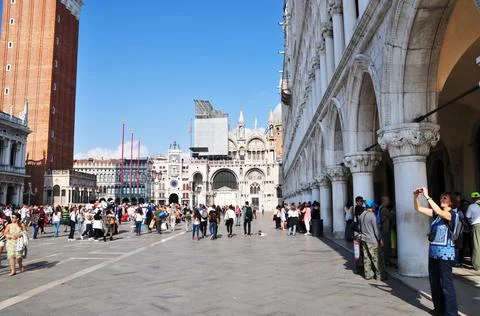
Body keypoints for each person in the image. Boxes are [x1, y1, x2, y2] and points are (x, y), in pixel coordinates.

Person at [414, 187, 458, 316]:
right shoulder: (437, 215)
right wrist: (416, 196)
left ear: (451, 202)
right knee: (434, 283)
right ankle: (438, 309)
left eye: (445, 198)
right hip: (433, 254)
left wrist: (427, 196)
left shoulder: (452, 214)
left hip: (445, 256)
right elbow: (419, 209)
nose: (442, 199)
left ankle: (451, 313)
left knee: (446, 285)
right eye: (441, 198)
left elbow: (439, 211)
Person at [358, 200, 385, 281]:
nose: (374, 208)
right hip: (372, 240)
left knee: (367, 258)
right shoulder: (372, 215)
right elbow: (376, 230)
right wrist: (380, 239)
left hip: (364, 239)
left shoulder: (361, 215)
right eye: (374, 207)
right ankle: (379, 276)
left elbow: (359, 228)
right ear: (371, 207)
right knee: (376, 258)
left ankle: (368, 274)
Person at [379, 196, 395, 266]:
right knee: (385, 246)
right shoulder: (384, 209)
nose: (388, 202)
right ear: (384, 201)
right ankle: (385, 261)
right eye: (387, 201)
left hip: (384, 229)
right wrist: (393, 211)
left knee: (385, 246)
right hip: (385, 230)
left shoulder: (380, 208)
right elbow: (391, 216)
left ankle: (386, 260)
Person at [466, 191, 480, 270]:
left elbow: (468, 216)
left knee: (477, 245)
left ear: (473, 198)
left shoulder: (472, 206)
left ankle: (477, 265)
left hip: (477, 226)